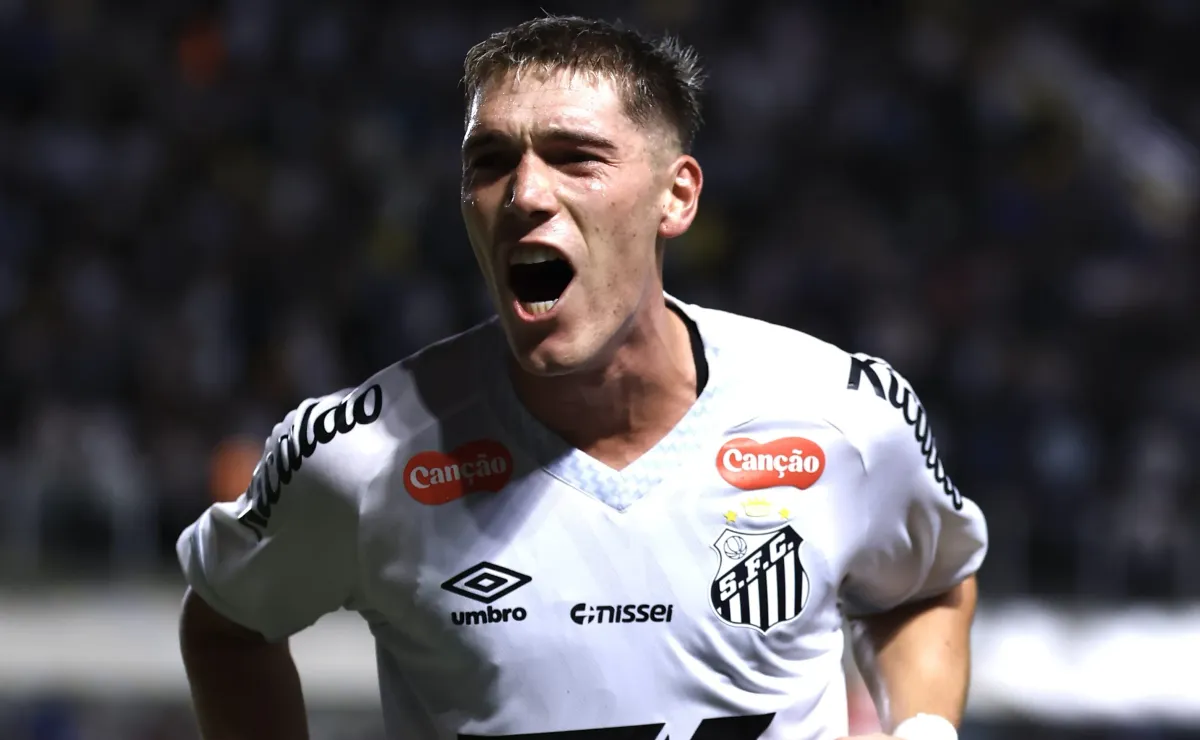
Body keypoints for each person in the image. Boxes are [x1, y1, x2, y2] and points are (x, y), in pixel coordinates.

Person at [176, 15, 987, 740]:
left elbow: (925, 586)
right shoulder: (360, 457)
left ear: (676, 196)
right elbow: (228, 627)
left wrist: (922, 730)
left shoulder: (842, 415)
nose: (526, 193)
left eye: (576, 158)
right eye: (490, 161)